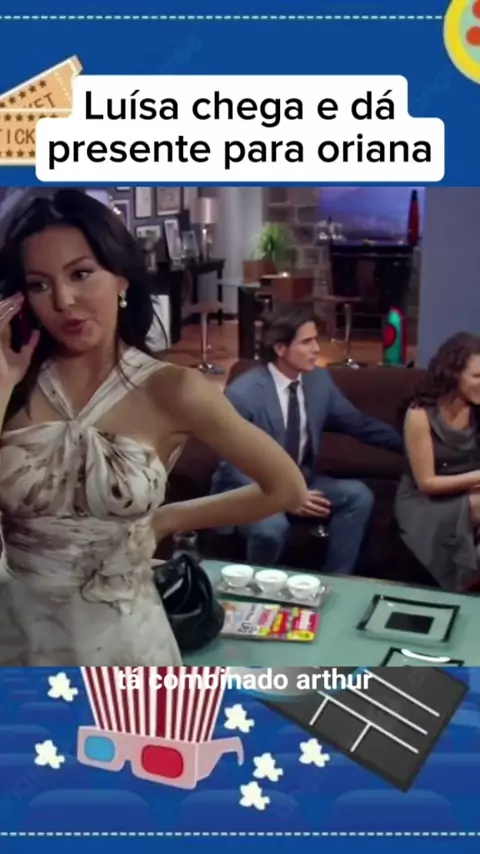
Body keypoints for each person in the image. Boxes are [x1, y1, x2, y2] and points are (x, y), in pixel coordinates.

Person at [0, 190, 307, 666]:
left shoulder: (173, 390)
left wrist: (165, 519)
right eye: (40, 284)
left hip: (123, 644)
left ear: (120, 280)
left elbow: (285, 487)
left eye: (81, 274)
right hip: (16, 635)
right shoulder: (11, 384)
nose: (63, 301)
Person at [211, 304, 402, 575]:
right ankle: (258, 587)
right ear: (281, 348)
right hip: (251, 487)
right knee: (272, 528)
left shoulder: (318, 381)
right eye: (307, 342)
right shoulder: (243, 393)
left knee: (358, 496)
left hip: (300, 480)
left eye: (316, 340)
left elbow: (359, 423)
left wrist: (414, 446)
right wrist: (284, 495)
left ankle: (337, 580)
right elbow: (232, 463)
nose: (316, 349)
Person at [395, 332, 480, 592]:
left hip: (469, 493)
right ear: (453, 374)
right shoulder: (419, 414)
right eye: (477, 376)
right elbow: (427, 483)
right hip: (425, 502)